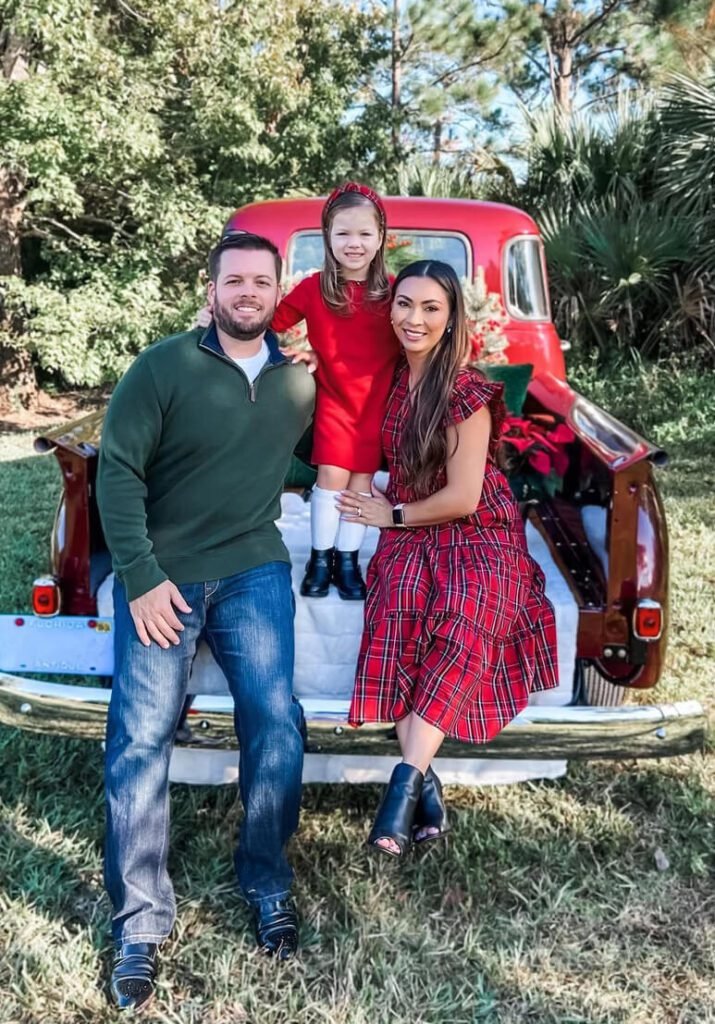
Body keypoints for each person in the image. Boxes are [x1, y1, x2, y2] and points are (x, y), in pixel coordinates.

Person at [97, 232, 315, 1011]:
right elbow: (116, 472)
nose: (247, 292)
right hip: (166, 575)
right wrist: (143, 580)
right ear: (213, 288)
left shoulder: (297, 384)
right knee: (140, 733)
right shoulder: (163, 366)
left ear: (276, 290)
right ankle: (141, 923)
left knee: (276, 721)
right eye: (235, 281)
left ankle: (265, 881)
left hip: (254, 567)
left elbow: (343, 445)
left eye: (261, 281)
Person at [337, 260, 559, 858]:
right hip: (413, 529)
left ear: (451, 316)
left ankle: (399, 791)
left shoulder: (464, 390)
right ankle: (423, 786)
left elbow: (462, 497)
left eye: (430, 308)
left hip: (477, 527)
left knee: (469, 613)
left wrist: (393, 516)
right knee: (400, 616)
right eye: (404, 304)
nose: (414, 318)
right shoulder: (388, 381)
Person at [199, 182, 399, 600]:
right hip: (333, 402)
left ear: (381, 237)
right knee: (330, 480)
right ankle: (320, 559)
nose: (354, 243)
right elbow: (269, 324)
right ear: (327, 236)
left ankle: (348, 563)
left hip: (377, 404)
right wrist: (219, 318)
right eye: (343, 233)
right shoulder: (315, 288)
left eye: (365, 234)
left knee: (360, 485)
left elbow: (418, 333)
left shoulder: (393, 291)